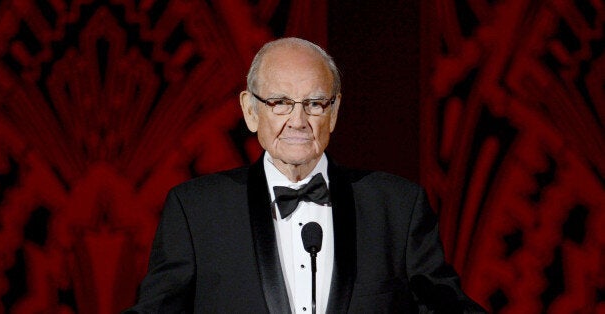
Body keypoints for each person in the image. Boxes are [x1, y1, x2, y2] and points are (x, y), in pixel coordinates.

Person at [125, 37, 486, 313]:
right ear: (250, 111)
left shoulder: (397, 207)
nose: (297, 121)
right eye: (280, 102)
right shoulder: (196, 211)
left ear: (334, 111)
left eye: (314, 104)